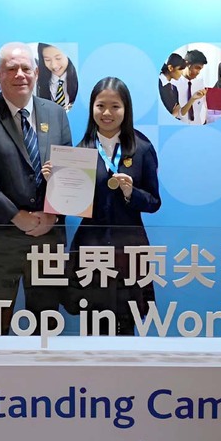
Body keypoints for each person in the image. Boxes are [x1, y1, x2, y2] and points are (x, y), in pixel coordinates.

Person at [0, 42, 72, 335]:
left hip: (48, 238)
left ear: (36, 73)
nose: (20, 75)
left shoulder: (56, 114)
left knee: (46, 329)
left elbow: (69, 173)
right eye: (11, 69)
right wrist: (16, 216)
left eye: (26, 68)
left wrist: (53, 214)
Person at [42, 77, 161, 335]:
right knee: (92, 325)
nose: (107, 113)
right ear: (92, 108)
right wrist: (54, 182)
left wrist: (131, 193)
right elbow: (66, 205)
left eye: (115, 106)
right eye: (100, 106)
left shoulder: (141, 148)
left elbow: (154, 202)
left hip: (129, 249)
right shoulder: (79, 152)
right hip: (91, 247)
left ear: (126, 109)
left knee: (126, 326)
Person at [35, 43, 78, 111]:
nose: (54, 65)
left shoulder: (79, 78)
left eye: (58, 58)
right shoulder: (37, 82)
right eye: (47, 60)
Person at [174, 49, 208, 125]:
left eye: (200, 69)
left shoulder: (200, 83)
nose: (198, 72)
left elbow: (202, 107)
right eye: (197, 68)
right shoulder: (174, 83)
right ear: (187, 64)